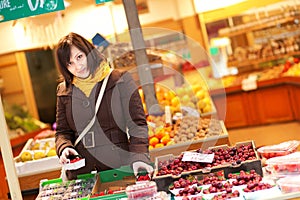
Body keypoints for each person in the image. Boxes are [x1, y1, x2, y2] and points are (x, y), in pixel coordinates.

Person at [55, 32, 153, 180]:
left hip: (118, 168)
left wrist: (139, 157)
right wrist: (65, 147)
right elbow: (62, 132)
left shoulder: (120, 80)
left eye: (79, 57)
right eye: (70, 63)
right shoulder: (64, 90)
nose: (78, 66)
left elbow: (137, 124)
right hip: (83, 174)